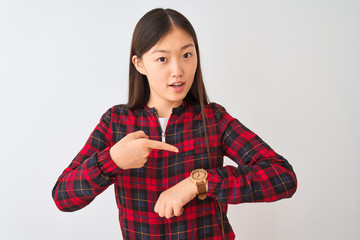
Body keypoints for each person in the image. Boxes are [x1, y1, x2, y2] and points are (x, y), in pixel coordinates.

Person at [52, 8, 297, 240]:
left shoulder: (213, 118)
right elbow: (63, 197)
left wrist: (198, 182)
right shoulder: (115, 122)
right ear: (139, 64)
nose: (178, 70)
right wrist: (112, 160)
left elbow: (283, 176)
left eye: (187, 55)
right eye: (162, 58)